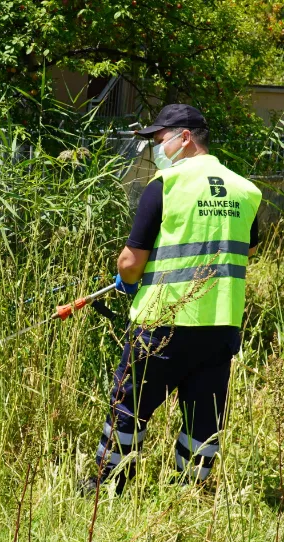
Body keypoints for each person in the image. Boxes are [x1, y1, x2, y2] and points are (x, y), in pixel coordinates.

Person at [82, 104, 262, 494]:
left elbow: (131, 262)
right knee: (203, 419)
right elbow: (244, 252)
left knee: (128, 410)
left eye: (159, 139)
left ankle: (104, 490)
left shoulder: (165, 186)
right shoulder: (246, 190)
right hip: (219, 326)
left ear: (184, 138)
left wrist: (128, 281)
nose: (155, 149)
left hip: (161, 325)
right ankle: (187, 495)